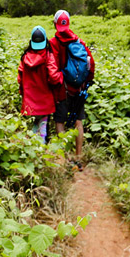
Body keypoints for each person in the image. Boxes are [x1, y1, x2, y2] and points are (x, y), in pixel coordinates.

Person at [47, 9, 94, 168]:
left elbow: (51, 68)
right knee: (78, 122)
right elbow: (91, 64)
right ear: (69, 24)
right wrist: (84, 82)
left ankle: (66, 158)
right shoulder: (79, 42)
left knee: (60, 122)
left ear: (55, 24)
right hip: (79, 89)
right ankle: (78, 157)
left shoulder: (53, 43)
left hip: (62, 90)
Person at [18, 26, 56, 143]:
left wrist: (23, 94)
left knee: (35, 123)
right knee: (43, 124)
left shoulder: (25, 57)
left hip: (30, 99)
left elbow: (20, 79)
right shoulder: (48, 56)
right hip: (45, 98)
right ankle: (41, 148)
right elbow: (54, 77)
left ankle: (32, 146)